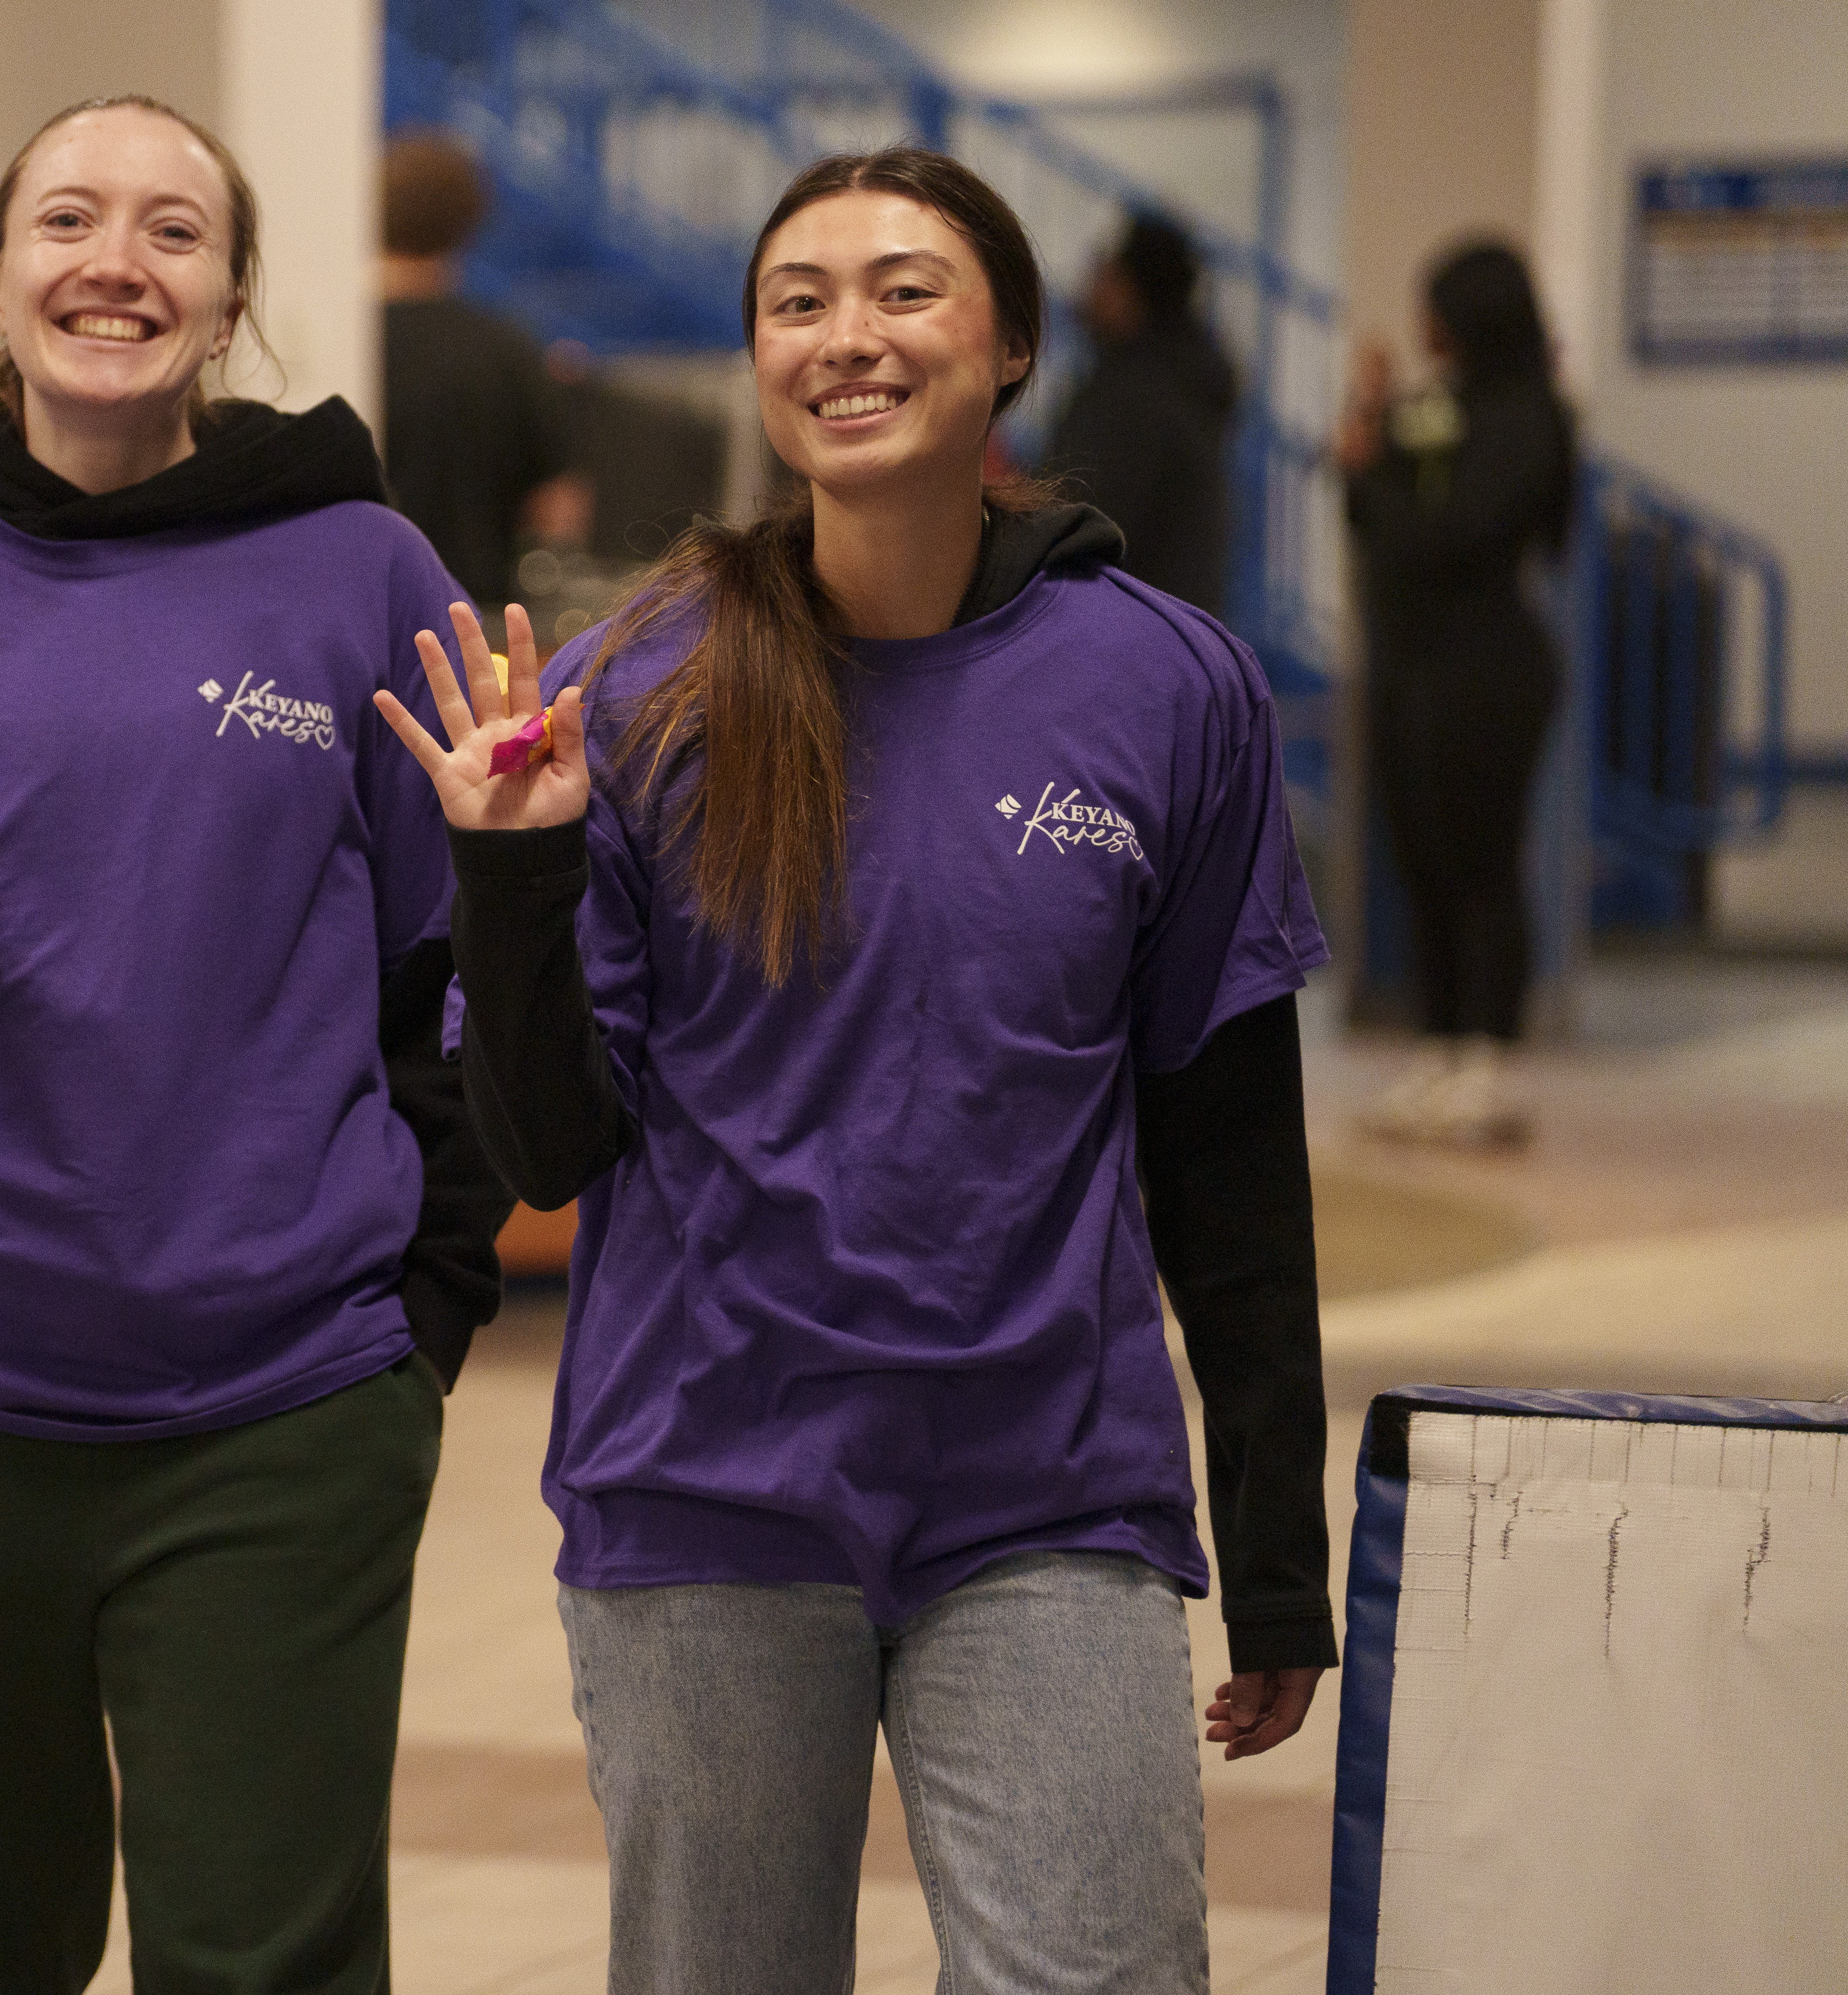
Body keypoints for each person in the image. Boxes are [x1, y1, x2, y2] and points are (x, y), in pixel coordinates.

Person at [376, 148, 1334, 1993]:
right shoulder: (637, 686)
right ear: (758, 362)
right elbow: (551, 1150)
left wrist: (1277, 1548)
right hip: (710, 1492)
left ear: (1012, 350)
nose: (847, 335)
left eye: (905, 289)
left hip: (1045, 1493)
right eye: (797, 301)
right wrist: (512, 874)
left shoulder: (1168, 688)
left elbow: (1229, 1158)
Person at [0, 94, 509, 1995]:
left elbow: (452, 969)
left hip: (285, 1403)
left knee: (266, 1957)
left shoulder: (362, 575)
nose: (115, 263)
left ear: (228, 297)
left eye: (171, 230)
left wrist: (426, 1317)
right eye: (70, 220)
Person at [1340, 239, 1576, 1148]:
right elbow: (1381, 521)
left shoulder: (1528, 414)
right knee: (1423, 862)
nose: (1421, 322)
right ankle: (1437, 1052)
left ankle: (1491, 1060)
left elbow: (1462, 532)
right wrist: (1366, 439)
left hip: (1489, 665)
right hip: (1411, 660)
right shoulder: (1433, 405)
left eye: (1435, 304)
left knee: (1480, 863)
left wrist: (1378, 481)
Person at [378, 129, 590, 616]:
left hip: (362, 621)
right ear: (466, 227)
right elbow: (559, 507)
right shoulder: (509, 351)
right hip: (478, 627)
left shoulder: (340, 348)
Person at [1041, 207, 1239, 615]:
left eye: (1106, 274)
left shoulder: (1132, 399)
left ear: (1133, 290)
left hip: (1127, 645)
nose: (1090, 288)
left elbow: (1069, 522)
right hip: (1175, 638)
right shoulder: (1184, 380)